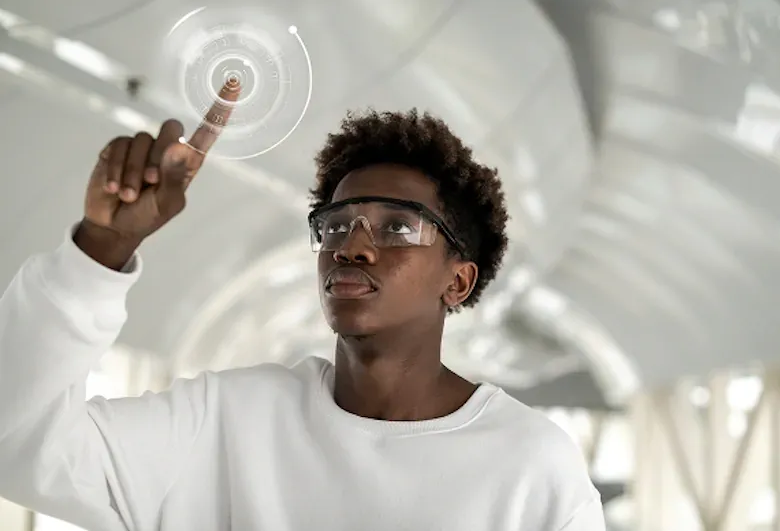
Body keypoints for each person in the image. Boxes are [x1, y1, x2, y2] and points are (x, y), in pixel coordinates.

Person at [0, 80, 605, 530]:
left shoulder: (530, 464)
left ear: (459, 281)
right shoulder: (229, 420)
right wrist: (103, 247)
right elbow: (22, 445)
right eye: (336, 225)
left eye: (398, 229)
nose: (353, 247)